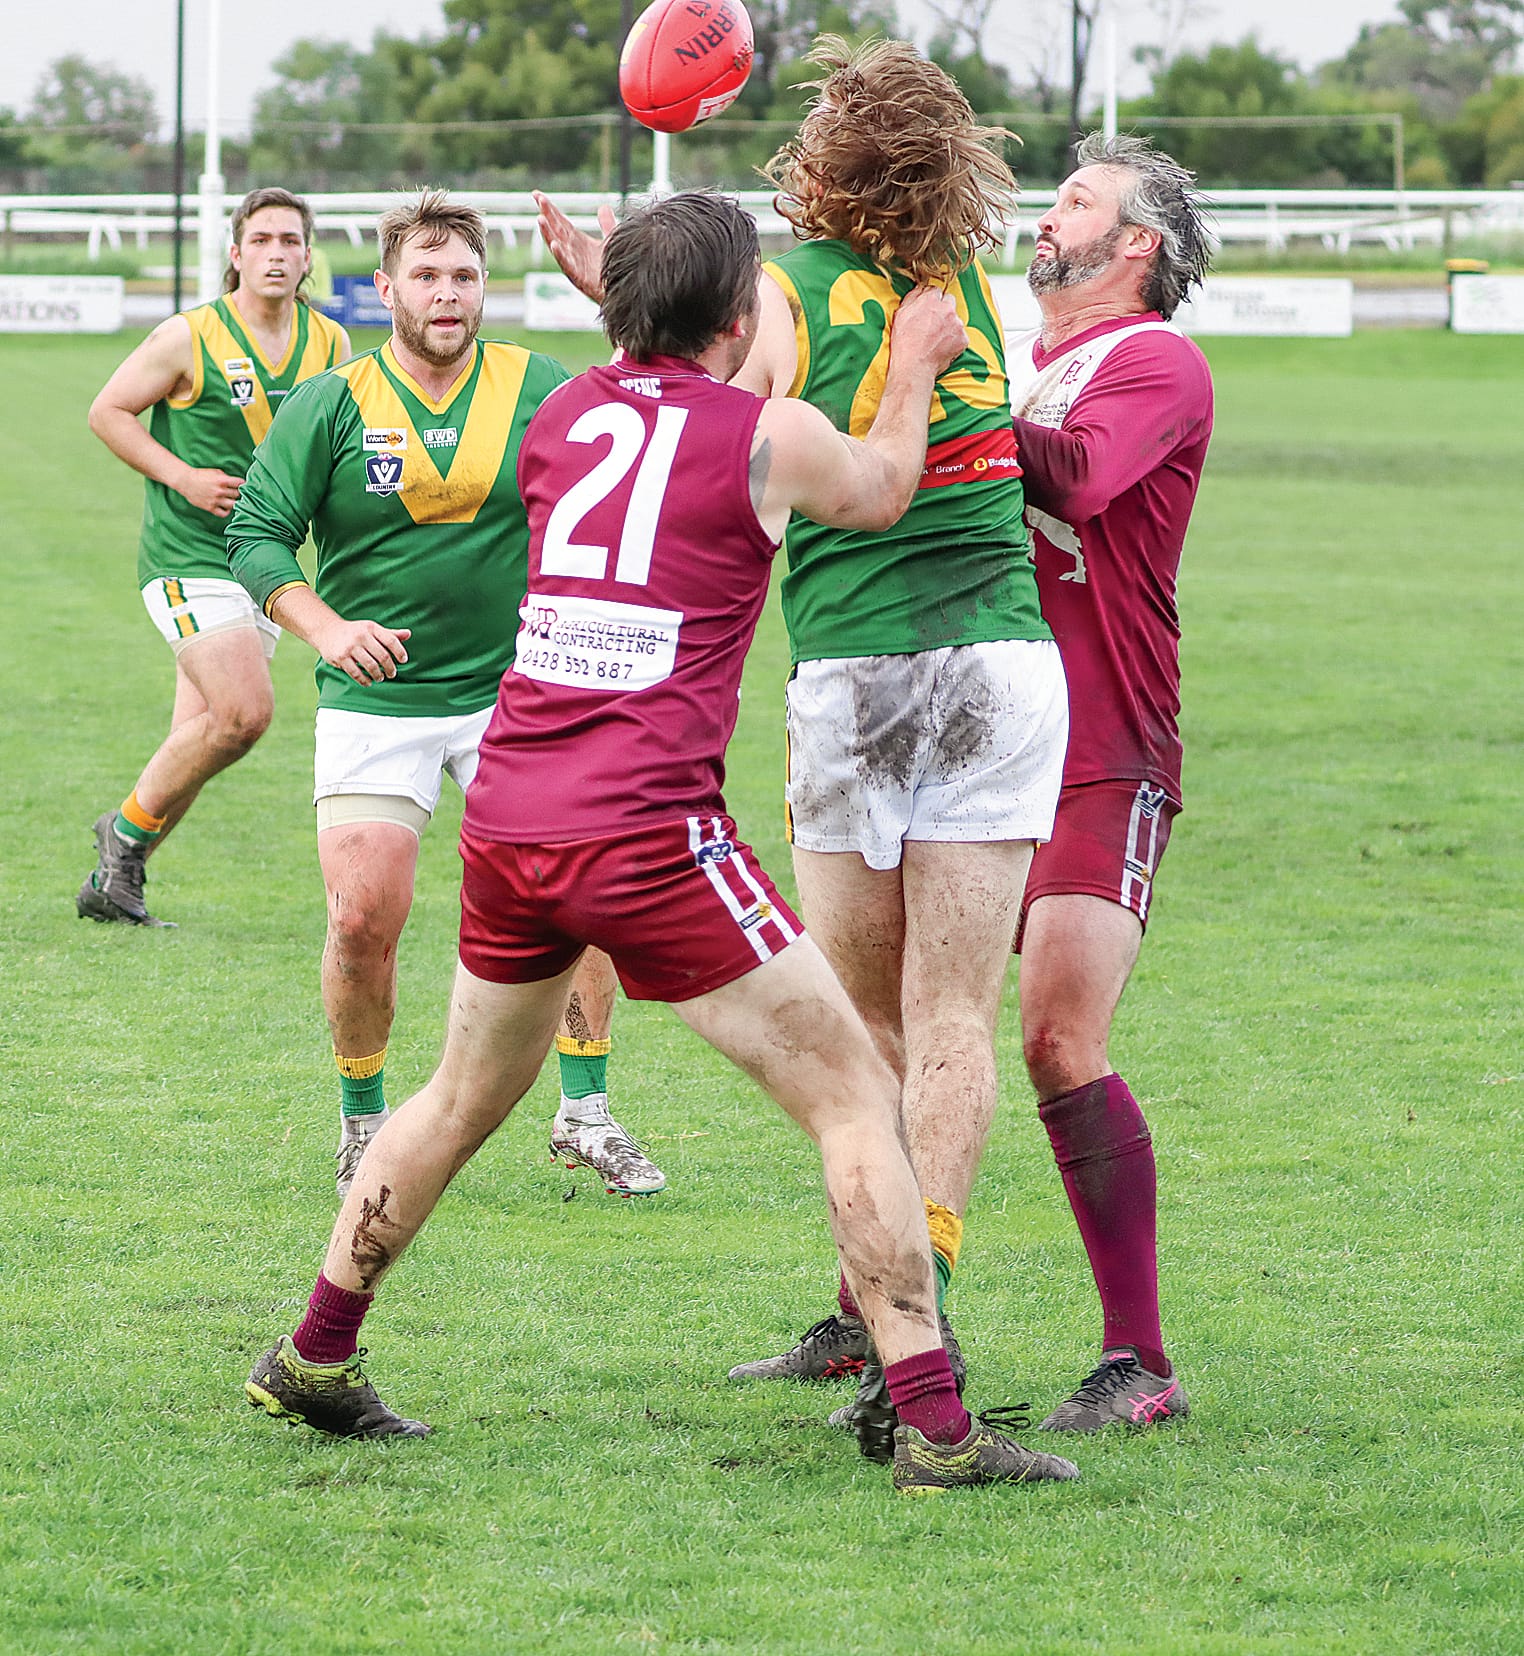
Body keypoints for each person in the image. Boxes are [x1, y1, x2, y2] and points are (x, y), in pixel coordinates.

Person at [243, 190, 1081, 1495]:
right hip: (648, 825)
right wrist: (915, 367)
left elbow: (662, 409)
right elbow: (882, 489)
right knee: (859, 1097)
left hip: (515, 807)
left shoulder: (560, 414)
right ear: (743, 314)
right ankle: (936, 1429)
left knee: (457, 1099)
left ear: (624, 310)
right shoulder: (769, 436)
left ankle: (314, 1352)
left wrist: (635, 307)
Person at [550, 40, 1069, 1428]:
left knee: (863, 1034)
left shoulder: (786, 289)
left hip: (856, 680)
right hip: (1001, 667)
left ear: (827, 162)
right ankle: (895, 1320)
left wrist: (621, 314)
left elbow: (704, 418)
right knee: (952, 1022)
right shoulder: (958, 294)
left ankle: (895, 1332)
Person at [226, 191, 662, 1202]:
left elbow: (655, 415)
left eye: (463, 275)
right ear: (385, 290)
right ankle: (363, 1120)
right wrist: (327, 629)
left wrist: (614, 304)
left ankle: (586, 1110)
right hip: (376, 702)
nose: (446, 293)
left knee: (581, 890)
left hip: (519, 694)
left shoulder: (540, 387)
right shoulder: (330, 404)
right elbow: (254, 535)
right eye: (425, 275)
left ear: (485, 287)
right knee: (361, 918)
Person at [1005, 133, 1215, 1431]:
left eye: (1076, 200)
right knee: (904, 1031)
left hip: (1102, 745)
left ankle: (1140, 1359)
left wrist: (942, 393)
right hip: (971, 738)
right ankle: (873, 1323)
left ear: (1137, 244)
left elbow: (1078, 481)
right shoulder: (1013, 359)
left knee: (1056, 1038)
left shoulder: (1155, 361)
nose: (1049, 214)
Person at [78, 186, 349, 928]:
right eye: (261, 240)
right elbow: (107, 411)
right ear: (235, 254)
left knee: (196, 740)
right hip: (187, 558)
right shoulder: (189, 335)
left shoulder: (330, 343)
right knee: (244, 713)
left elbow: (329, 446)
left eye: (290, 241)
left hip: (263, 565)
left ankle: (113, 884)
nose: (276, 254)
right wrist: (182, 477)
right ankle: (122, 834)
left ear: (308, 257)